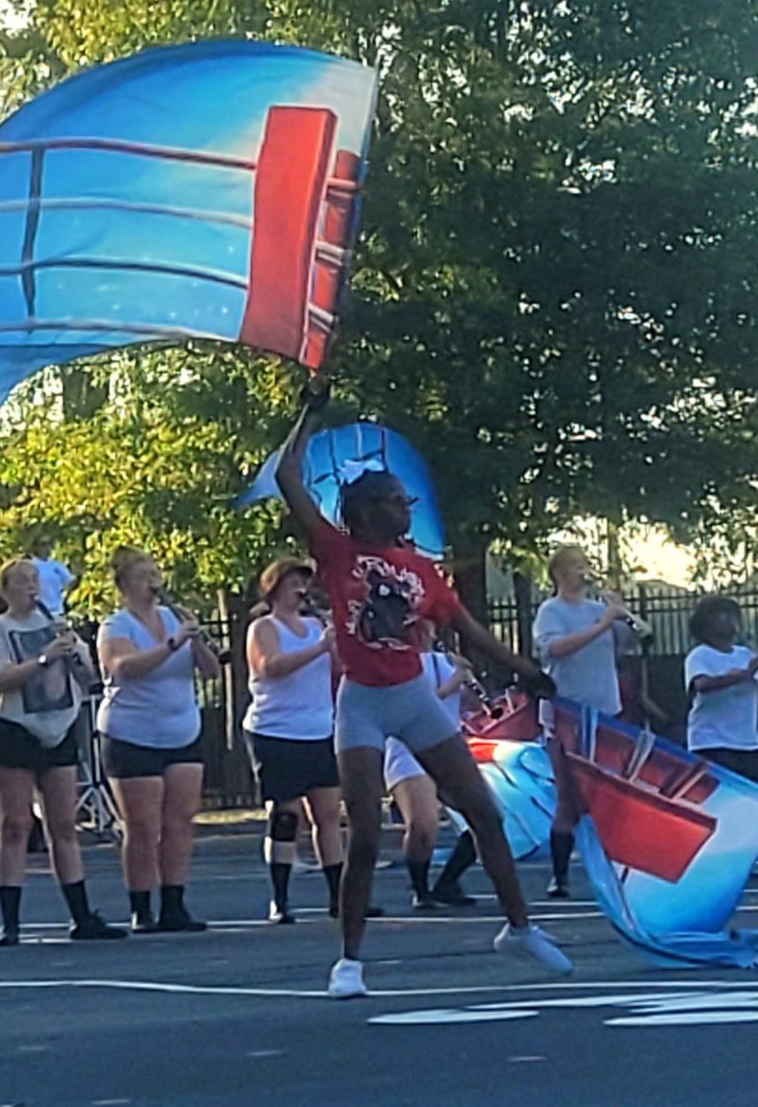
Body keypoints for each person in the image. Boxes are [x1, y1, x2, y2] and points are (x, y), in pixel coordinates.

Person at [276, 377, 572, 999]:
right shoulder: (335, 551)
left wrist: (525, 670)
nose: (405, 507)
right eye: (393, 500)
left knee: (484, 813)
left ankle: (519, 928)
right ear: (363, 512)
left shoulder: (421, 570)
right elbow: (287, 477)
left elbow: (467, 630)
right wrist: (308, 413)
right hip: (361, 699)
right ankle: (349, 961)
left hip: (413, 696)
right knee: (362, 833)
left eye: (405, 500)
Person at [0, 558, 126, 946]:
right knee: (15, 825)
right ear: (5, 589)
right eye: (22, 582)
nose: (31, 587)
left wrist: (72, 651)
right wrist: (43, 658)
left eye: (35, 581)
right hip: (14, 731)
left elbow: (91, 677)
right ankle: (9, 922)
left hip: (59, 729)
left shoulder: (60, 628)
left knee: (63, 824)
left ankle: (81, 915)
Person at [97, 547, 221, 932]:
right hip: (132, 733)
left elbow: (212, 671)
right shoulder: (116, 626)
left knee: (180, 821)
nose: (153, 582)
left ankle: (174, 903)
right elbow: (125, 668)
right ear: (125, 586)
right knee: (143, 825)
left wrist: (195, 640)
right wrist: (171, 644)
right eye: (143, 576)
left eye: (155, 573)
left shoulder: (175, 618)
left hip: (180, 730)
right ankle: (141, 907)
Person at [532, 544, 638, 899]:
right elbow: (555, 649)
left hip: (606, 713)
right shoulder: (552, 610)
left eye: (584, 565)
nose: (583, 572)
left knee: (609, 796)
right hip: (567, 716)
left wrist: (621, 614)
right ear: (560, 574)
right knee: (570, 797)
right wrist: (602, 624)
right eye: (575, 566)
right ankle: (560, 875)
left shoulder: (599, 610)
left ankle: (616, 871)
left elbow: (628, 642)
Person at [244, 556, 346, 923]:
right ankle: (281, 900)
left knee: (328, 813)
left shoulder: (315, 625)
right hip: (276, 730)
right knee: (286, 816)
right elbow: (271, 667)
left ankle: (339, 896)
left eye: (303, 584)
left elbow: (338, 668)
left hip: (317, 728)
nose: (300, 591)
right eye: (291, 584)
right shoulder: (263, 628)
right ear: (274, 588)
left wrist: (337, 644)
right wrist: (318, 648)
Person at [383, 625, 478, 909]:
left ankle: (447, 883)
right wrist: (452, 684)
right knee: (424, 824)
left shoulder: (444, 661)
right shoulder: (395, 662)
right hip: (409, 749)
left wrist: (468, 681)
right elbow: (412, 706)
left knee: (484, 819)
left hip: (448, 747)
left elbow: (468, 705)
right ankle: (421, 889)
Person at [683, 596, 758, 786]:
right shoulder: (700, 655)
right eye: (723, 615)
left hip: (749, 743)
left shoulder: (744, 654)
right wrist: (745, 674)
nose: (731, 621)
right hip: (712, 743)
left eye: (733, 615)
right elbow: (702, 685)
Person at [29, 534, 77, 617]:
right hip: (38, 613)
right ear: (35, 547)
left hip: (57, 612)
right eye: (43, 544)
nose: (47, 548)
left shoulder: (56, 565)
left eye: (49, 544)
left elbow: (70, 582)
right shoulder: (30, 566)